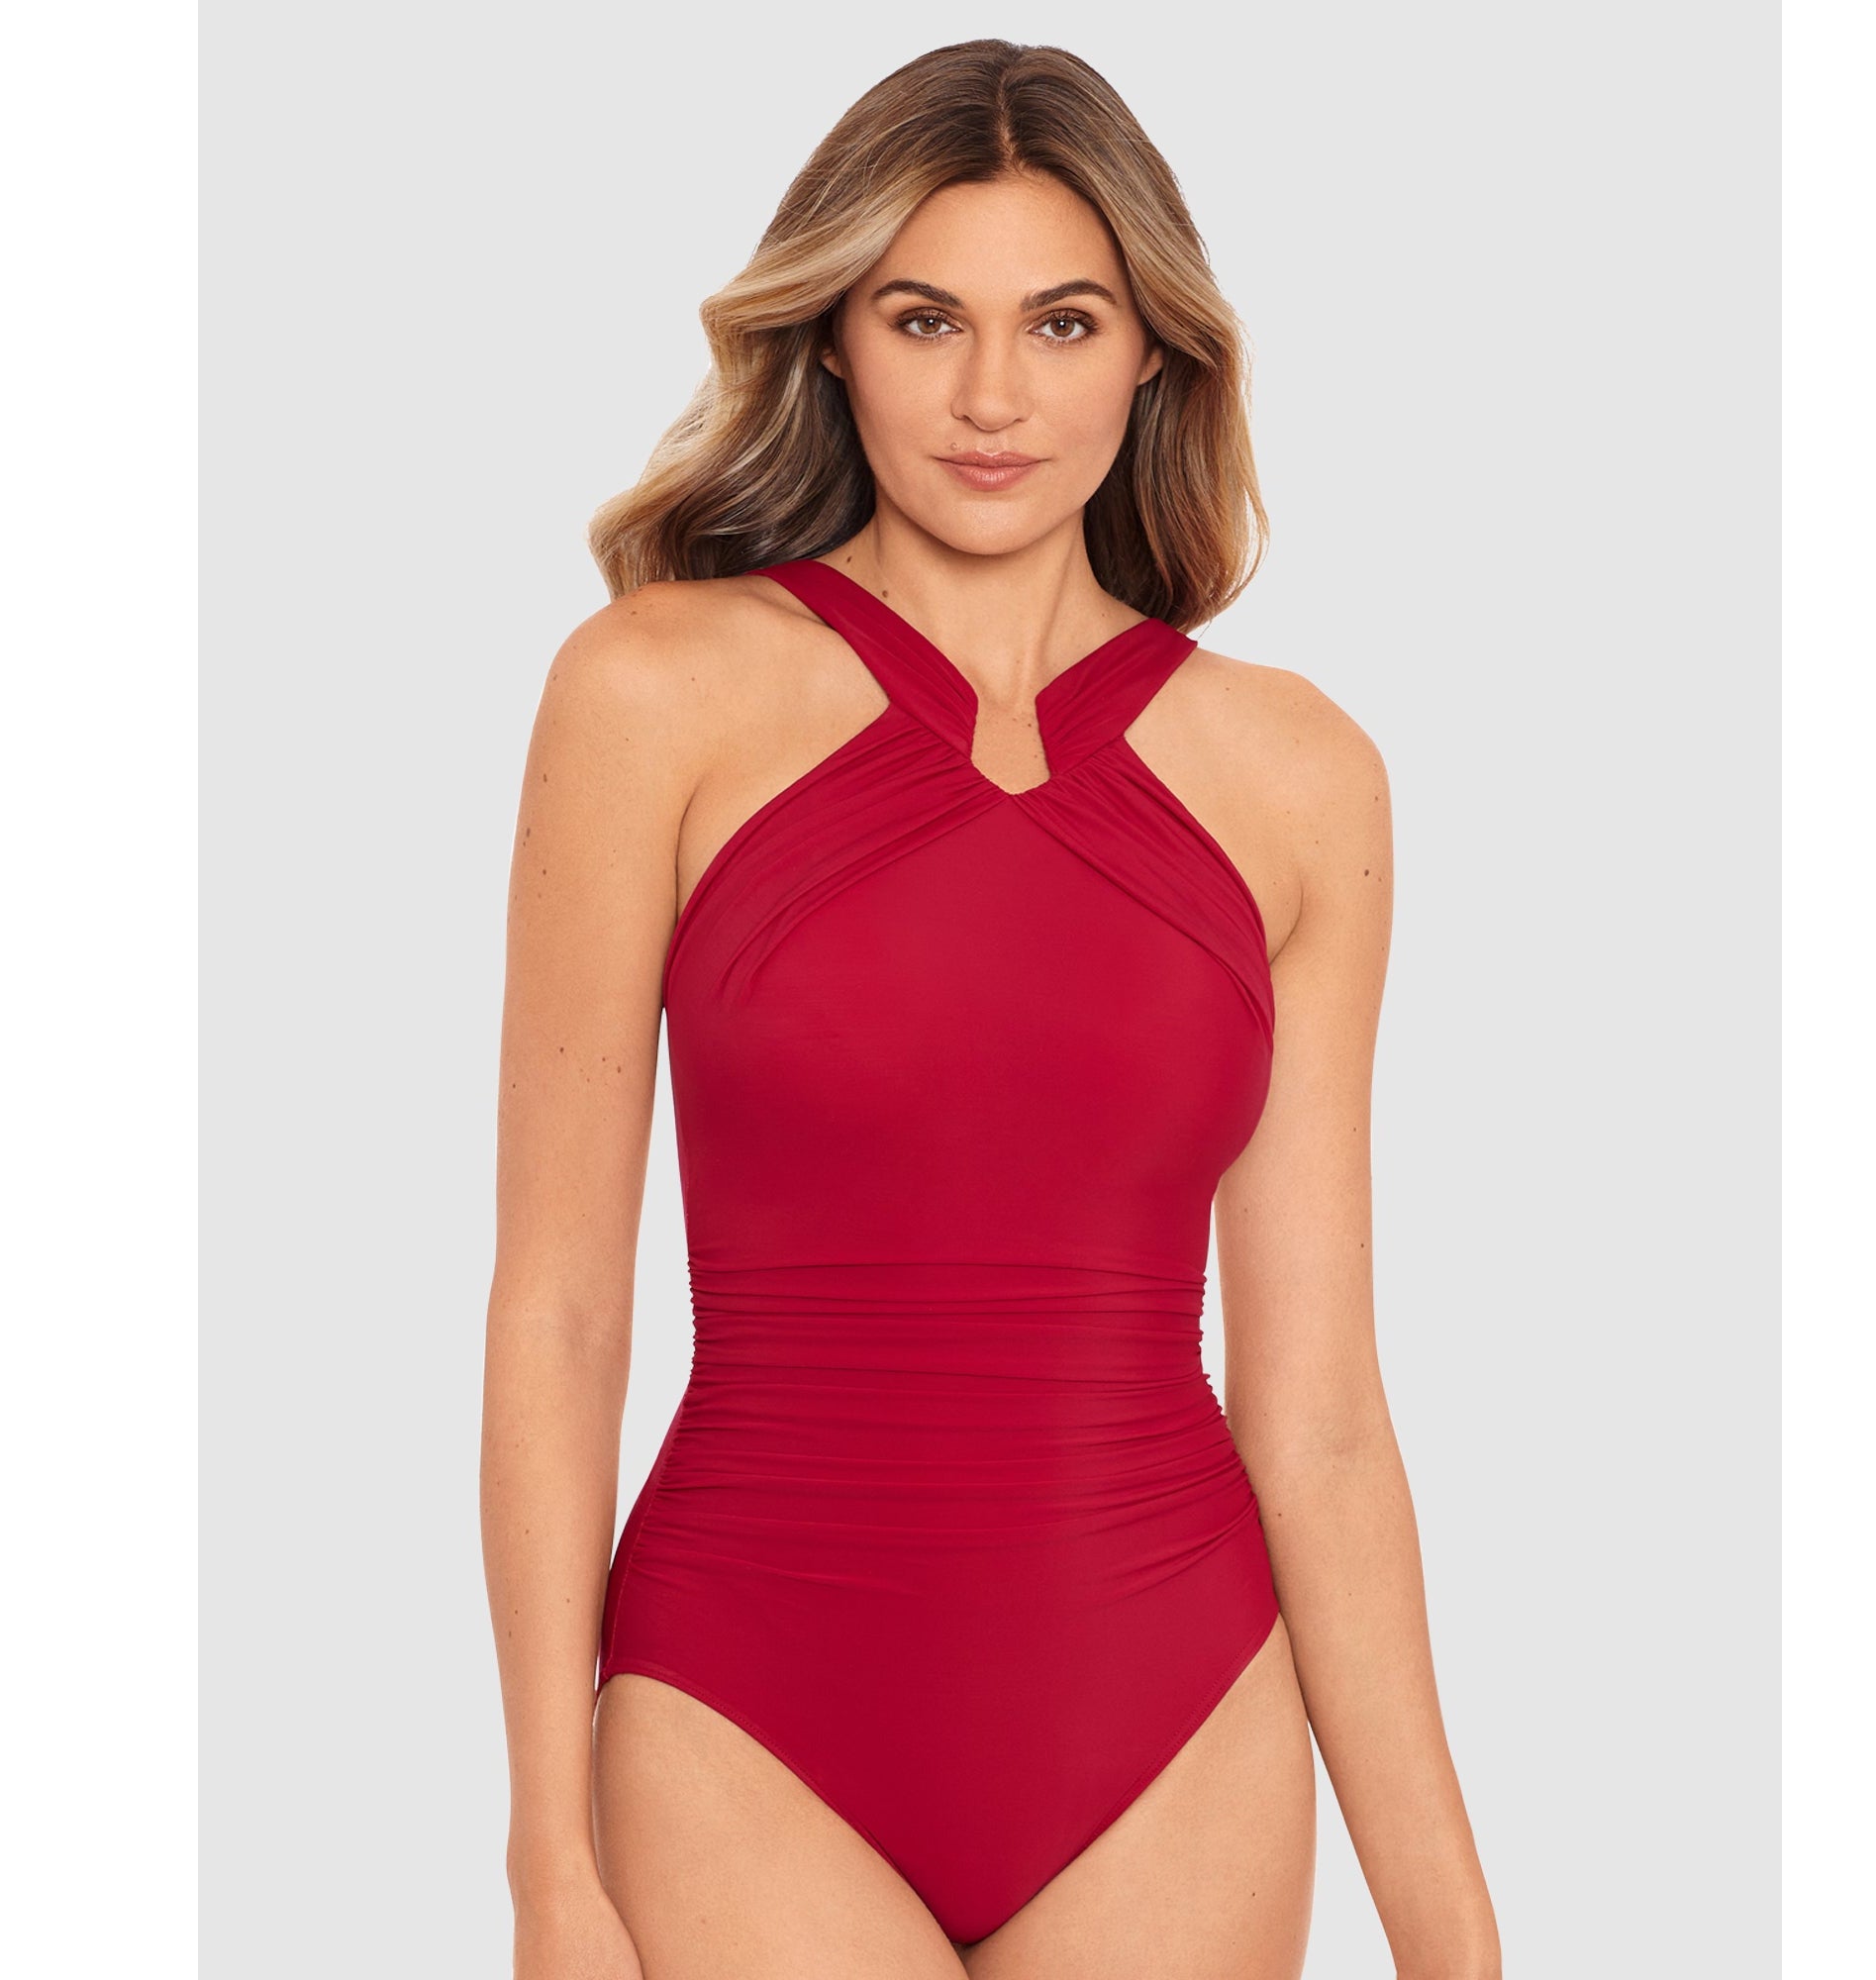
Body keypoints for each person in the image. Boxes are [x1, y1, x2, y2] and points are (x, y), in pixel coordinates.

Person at [482, 37, 1500, 1980]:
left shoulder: (1301, 777)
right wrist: (546, 1856)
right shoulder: (650, 693)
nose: (990, 397)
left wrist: (1455, 1935)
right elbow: (559, 1310)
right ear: (832, 338)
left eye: (1062, 322)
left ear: (1155, 352)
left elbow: (1318, 1414)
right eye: (924, 316)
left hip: (1174, 1722)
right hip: (742, 1709)